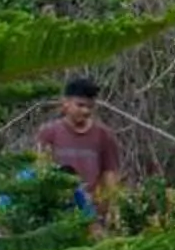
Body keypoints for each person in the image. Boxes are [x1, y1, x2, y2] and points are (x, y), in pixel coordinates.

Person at [35, 77, 126, 237]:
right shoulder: (49, 133)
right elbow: (40, 169)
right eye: (80, 105)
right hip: (58, 211)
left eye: (90, 107)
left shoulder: (103, 135)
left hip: (91, 213)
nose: (85, 111)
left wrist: (112, 206)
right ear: (65, 103)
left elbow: (109, 173)